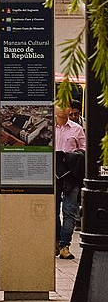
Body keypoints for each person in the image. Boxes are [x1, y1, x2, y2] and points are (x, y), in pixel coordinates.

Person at [55, 105, 87, 260]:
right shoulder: (48, 127)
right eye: (59, 105)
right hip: (52, 174)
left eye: (65, 106)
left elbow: (84, 150)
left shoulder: (77, 129)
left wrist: (72, 157)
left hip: (71, 175)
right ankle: (55, 241)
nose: (62, 109)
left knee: (70, 210)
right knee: (52, 211)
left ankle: (64, 245)